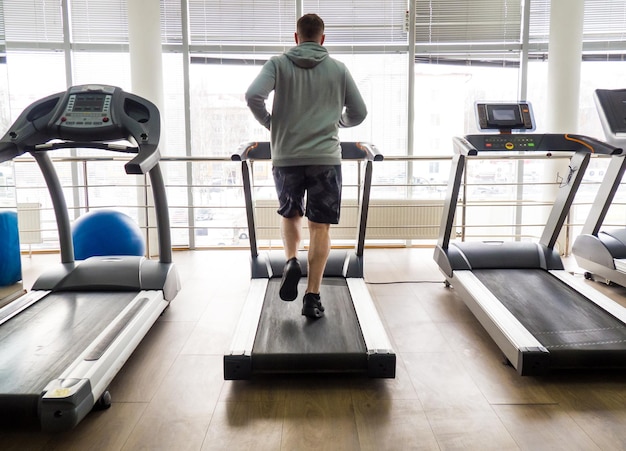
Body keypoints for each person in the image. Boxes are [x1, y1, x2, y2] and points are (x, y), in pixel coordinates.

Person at [245, 13, 367, 319]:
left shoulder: (278, 64)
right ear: (323, 39)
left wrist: (271, 124)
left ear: (296, 38)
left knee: (291, 213)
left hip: (286, 156)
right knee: (320, 226)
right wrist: (339, 121)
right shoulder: (338, 69)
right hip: (325, 158)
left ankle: (291, 260)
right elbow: (359, 112)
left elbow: (252, 96)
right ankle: (312, 296)